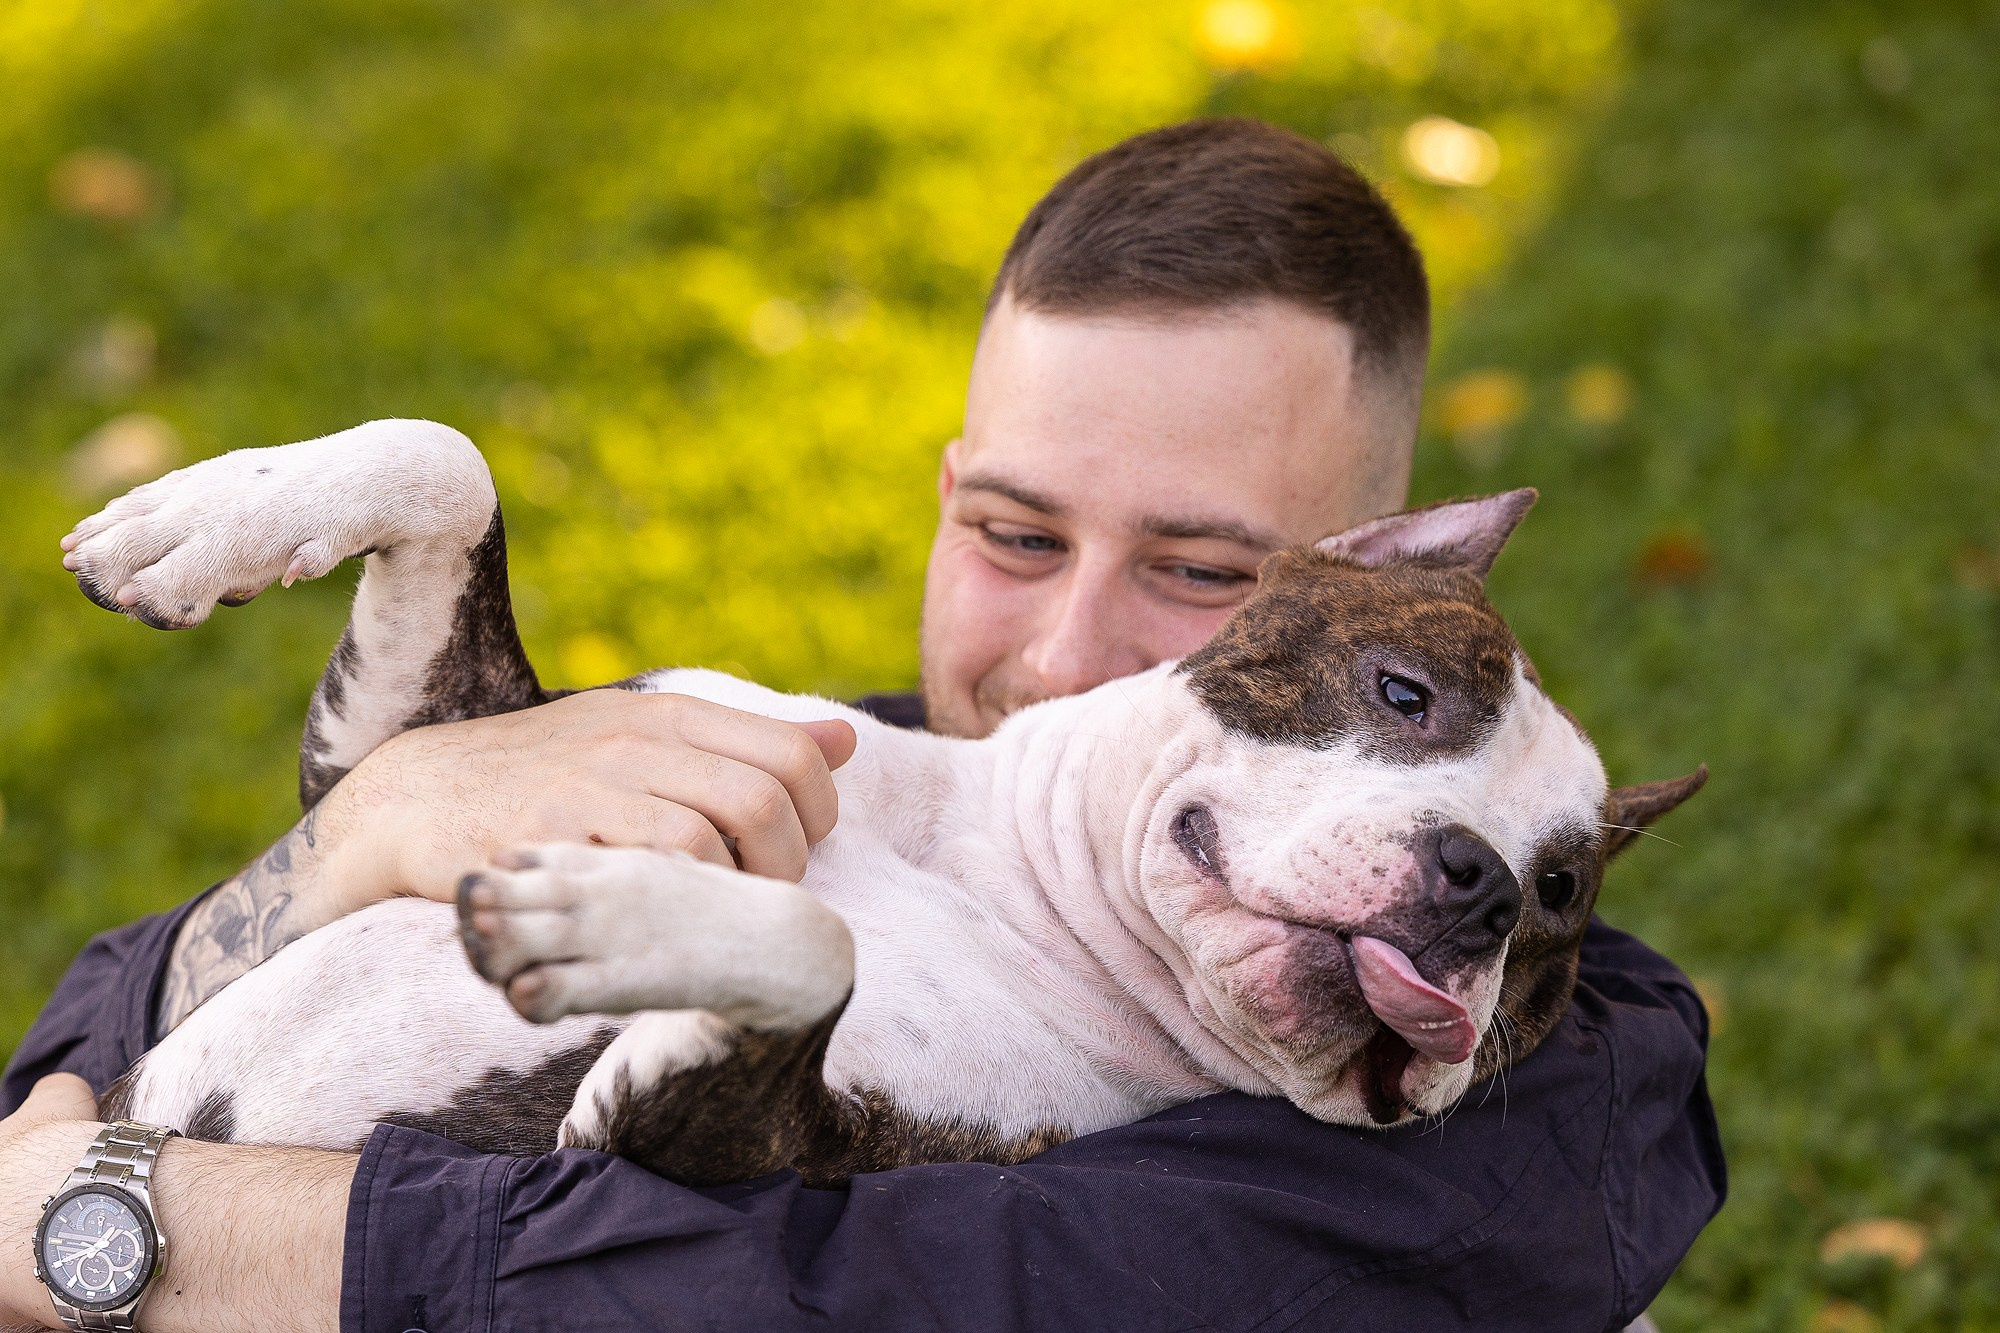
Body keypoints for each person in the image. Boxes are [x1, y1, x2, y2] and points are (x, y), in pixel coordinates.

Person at [0, 118, 1722, 1333]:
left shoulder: (1398, 1133)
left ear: (1343, 572)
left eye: (1200, 567)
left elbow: (700, 1275)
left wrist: (98, 1217)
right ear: (946, 490)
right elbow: (117, 1005)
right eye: (1016, 534)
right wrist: (381, 810)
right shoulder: (854, 759)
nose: (1060, 658)